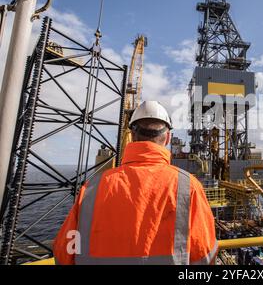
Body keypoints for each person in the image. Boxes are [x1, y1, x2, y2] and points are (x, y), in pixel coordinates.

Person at [53, 101, 218, 265]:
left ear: (131, 136)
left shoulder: (91, 188)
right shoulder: (188, 186)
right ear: (167, 138)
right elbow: (205, 255)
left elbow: (63, 252)